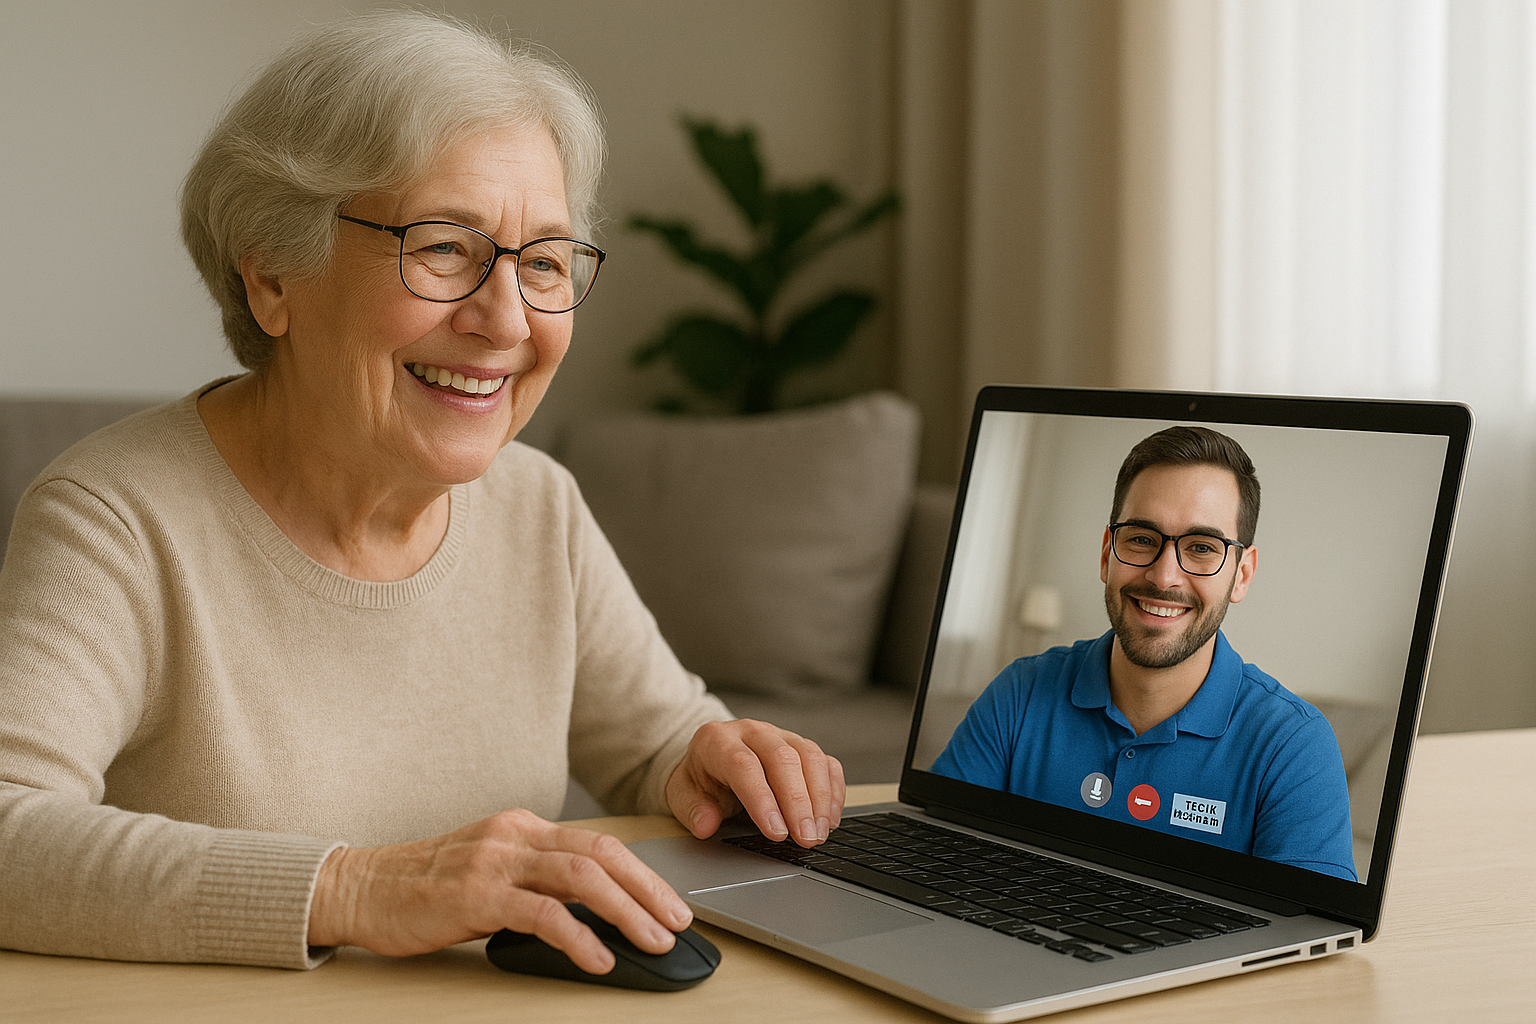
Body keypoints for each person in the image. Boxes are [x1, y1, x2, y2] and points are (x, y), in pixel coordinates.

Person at [0, 11, 844, 973]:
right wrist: (357, 889)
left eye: (544, 263)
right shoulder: (117, 517)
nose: (505, 320)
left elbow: (658, 741)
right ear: (272, 275)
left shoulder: (538, 505)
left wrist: (718, 765)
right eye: (444, 247)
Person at [932, 426, 1357, 880]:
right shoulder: (1019, 693)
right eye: (1141, 539)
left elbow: (1310, 942)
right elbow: (931, 857)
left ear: (1242, 575)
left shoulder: (1295, 747)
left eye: (1200, 548)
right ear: (1105, 554)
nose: (1164, 576)